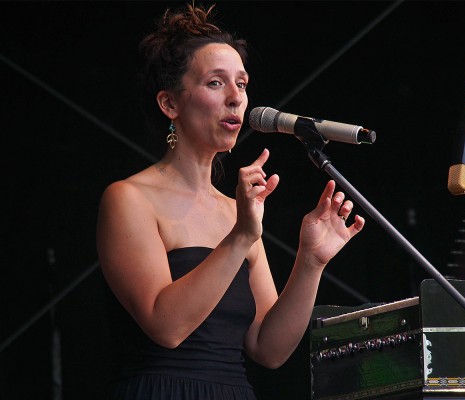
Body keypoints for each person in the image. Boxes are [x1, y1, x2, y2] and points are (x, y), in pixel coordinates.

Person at [96, 3, 365, 399]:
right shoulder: (129, 199)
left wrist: (310, 261)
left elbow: (269, 349)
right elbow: (166, 327)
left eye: (241, 83)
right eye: (215, 83)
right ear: (170, 103)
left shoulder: (234, 212)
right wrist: (240, 237)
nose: (236, 98)